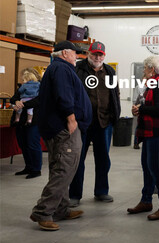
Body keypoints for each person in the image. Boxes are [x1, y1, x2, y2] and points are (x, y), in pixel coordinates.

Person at [30, 41, 92, 231]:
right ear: (65, 53)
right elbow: (64, 95)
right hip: (64, 129)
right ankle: (43, 212)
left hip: (60, 128)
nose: (77, 56)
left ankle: (61, 208)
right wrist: (71, 118)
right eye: (75, 53)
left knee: (62, 168)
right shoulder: (62, 69)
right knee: (64, 169)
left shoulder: (57, 68)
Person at [69, 41, 121, 207]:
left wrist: (115, 114)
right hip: (82, 123)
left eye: (100, 55)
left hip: (104, 122)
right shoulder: (78, 69)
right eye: (94, 54)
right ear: (88, 54)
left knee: (103, 159)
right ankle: (75, 194)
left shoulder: (110, 71)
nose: (97, 57)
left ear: (104, 56)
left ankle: (101, 191)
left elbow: (114, 93)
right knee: (78, 160)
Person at [127, 56, 159, 221]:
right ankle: (146, 201)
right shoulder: (154, 83)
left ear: (152, 69)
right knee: (147, 167)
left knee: (156, 169)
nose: (143, 71)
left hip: (158, 132)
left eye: (144, 68)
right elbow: (150, 105)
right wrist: (139, 108)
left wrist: (141, 108)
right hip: (150, 132)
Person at [10, 68, 42, 179]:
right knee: (23, 144)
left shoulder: (40, 87)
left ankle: (36, 169)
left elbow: (39, 101)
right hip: (21, 120)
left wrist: (24, 104)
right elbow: (13, 98)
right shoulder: (22, 88)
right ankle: (28, 166)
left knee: (32, 143)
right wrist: (16, 102)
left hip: (34, 120)